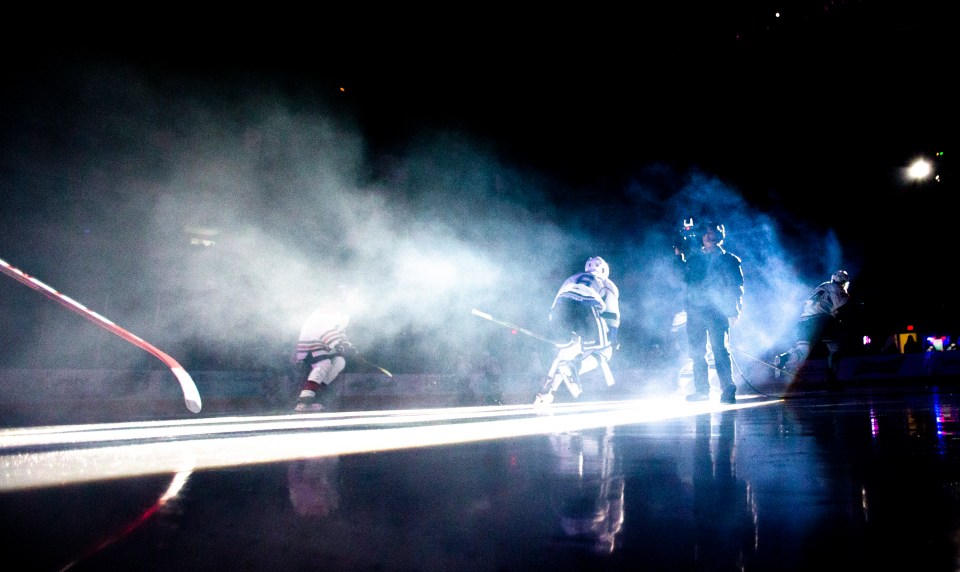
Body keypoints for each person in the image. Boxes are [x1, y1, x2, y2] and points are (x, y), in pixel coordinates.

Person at [534, 256, 621, 406]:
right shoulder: (607, 283)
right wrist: (613, 337)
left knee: (566, 354)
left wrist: (554, 330)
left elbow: (555, 306)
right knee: (605, 352)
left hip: (559, 312)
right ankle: (576, 367)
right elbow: (612, 314)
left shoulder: (571, 278)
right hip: (586, 308)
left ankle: (546, 393)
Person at [675, 221, 744, 404]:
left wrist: (733, 310)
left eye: (712, 233)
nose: (708, 237)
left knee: (720, 351)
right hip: (696, 311)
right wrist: (678, 258)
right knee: (697, 352)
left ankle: (728, 389)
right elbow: (684, 280)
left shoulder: (729, 260)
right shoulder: (694, 259)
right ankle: (702, 390)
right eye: (705, 234)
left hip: (717, 311)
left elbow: (736, 287)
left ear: (719, 236)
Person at [776, 270, 850, 382]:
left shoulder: (822, 286)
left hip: (804, 321)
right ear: (843, 282)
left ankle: (784, 358)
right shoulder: (837, 289)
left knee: (802, 351)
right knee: (835, 347)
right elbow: (842, 306)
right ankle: (831, 374)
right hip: (820, 321)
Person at [293, 293, 358, 413]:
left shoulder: (341, 315)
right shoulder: (323, 312)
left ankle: (317, 393)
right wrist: (338, 344)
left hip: (326, 345)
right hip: (312, 343)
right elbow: (325, 329)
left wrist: (347, 345)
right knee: (324, 363)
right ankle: (305, 398)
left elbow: (339, 332)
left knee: (339, 362)